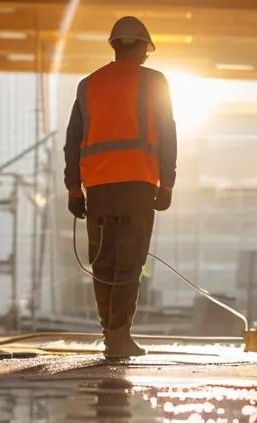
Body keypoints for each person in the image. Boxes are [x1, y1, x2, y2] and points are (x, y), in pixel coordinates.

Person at [64, 16, 177, 360]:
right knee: (129, 262)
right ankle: (118, 335)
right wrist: (167, 182)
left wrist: (73, 188)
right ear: (142, 48)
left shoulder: (89, 85)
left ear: (114, 46)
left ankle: (110, 332)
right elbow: (168, 134)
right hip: (138, 185)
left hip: (98, 187)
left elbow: (73, 140)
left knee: (103, 261)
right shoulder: (155, 82)